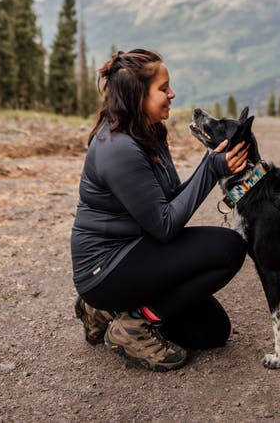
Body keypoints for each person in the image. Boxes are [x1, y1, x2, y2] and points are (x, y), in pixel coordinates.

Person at [71, 48, 248, 372]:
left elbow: (168, 201)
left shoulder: (149, 132)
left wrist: (214, 165)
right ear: (138, 95)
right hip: (107, 268)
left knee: (211, 332)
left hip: (138, 250)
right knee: (229, 247)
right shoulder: (118, 148)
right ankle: (133, 322)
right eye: (163, 88)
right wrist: (211, 168)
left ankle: (108, 312)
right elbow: (165, 225)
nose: (172, 93)